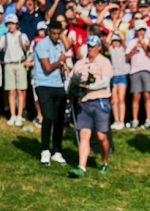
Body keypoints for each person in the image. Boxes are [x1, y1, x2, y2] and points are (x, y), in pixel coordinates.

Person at [68, 36, 113, 177]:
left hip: (100, 101)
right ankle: (81, 167)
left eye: (93, 46)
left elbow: (105, 82)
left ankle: (105, 161)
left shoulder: (105, 62)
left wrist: (88, 86)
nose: (90, 49)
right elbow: (71, 79)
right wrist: (71, 89)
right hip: (84, 102)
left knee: (101, 136)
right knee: (84, 135)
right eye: (89, 46)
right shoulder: (80, 63)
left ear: (99, 47)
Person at [33, 20, 68, 166]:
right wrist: (60, 61)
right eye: (54, 33)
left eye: (59, 34)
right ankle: (45, 150)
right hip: (43, 84)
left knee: (60, 119)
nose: (56, 36)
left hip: (58, 85)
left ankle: (57, 151)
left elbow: (62, 63)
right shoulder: (42, 44)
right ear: (49, 32)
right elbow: (47, 67)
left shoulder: (59, 44)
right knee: (48, 117)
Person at [0, 14, 30, 126]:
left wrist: (27, 46)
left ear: (17, 24)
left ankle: (19, 115)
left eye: (12, 24)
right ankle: (13, 115)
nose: (10, 26)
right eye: (8, 24)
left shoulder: (22, 36)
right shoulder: (5, 37)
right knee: (11, 91)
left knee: (20, 91)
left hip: (20, 64)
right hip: (8, 64)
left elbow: (26, 49)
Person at [125, 20, 150, 129]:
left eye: (143, 30)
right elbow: (127, 58)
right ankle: (135, 120)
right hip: (135, 71)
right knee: (136, 96)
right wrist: (133, 49)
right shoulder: (132, 42)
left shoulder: (148, 41)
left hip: (146, 70)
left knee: (147, 95)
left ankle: (148, 119)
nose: (141, 32)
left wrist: (143, 44)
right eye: (139, 30)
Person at [109, 32, 130, 130]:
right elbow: (106, 42)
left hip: (122, 75)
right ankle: (116, 120)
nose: (116, 43)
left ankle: (121, 120)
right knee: (114, 100)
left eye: (117, 41)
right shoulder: (111, 50)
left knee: (121, 98)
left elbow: (124, 42)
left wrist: (118, 32)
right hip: (113, 76)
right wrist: (111, 32)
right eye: (114, 41)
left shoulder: (123, 49)